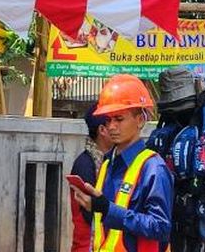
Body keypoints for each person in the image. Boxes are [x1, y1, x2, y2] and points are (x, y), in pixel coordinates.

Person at [68, 74, 172, 252]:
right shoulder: (107, 164)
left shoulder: (153, 168)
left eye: (119, 119)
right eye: (108, 120)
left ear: (140, 120)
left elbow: (160, 227)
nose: (112, 127)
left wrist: (108, 210)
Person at [70, 103, 114, 252]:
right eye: (113, 122)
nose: (116, 127)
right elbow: (90, 215)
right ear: (102, 130)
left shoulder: (108, 160)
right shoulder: (85, 164)